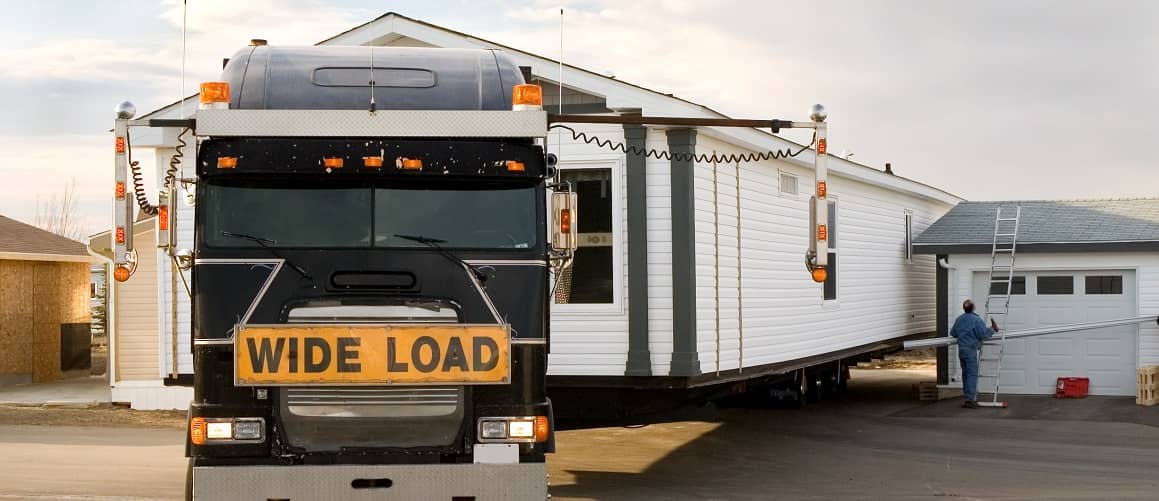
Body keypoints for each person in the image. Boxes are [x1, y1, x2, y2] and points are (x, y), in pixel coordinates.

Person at [950, 299, 997, 408]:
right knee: (971, 374)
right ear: (973, 308)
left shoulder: (959, 319)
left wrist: (963, 334)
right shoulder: (976, 320)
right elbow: (983, 334)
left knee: (965, 374)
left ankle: (967, 398)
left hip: (961, 350)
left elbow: (953, 333)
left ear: (964, 308)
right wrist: (992, 329)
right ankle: (970, 400)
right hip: (970, 350)